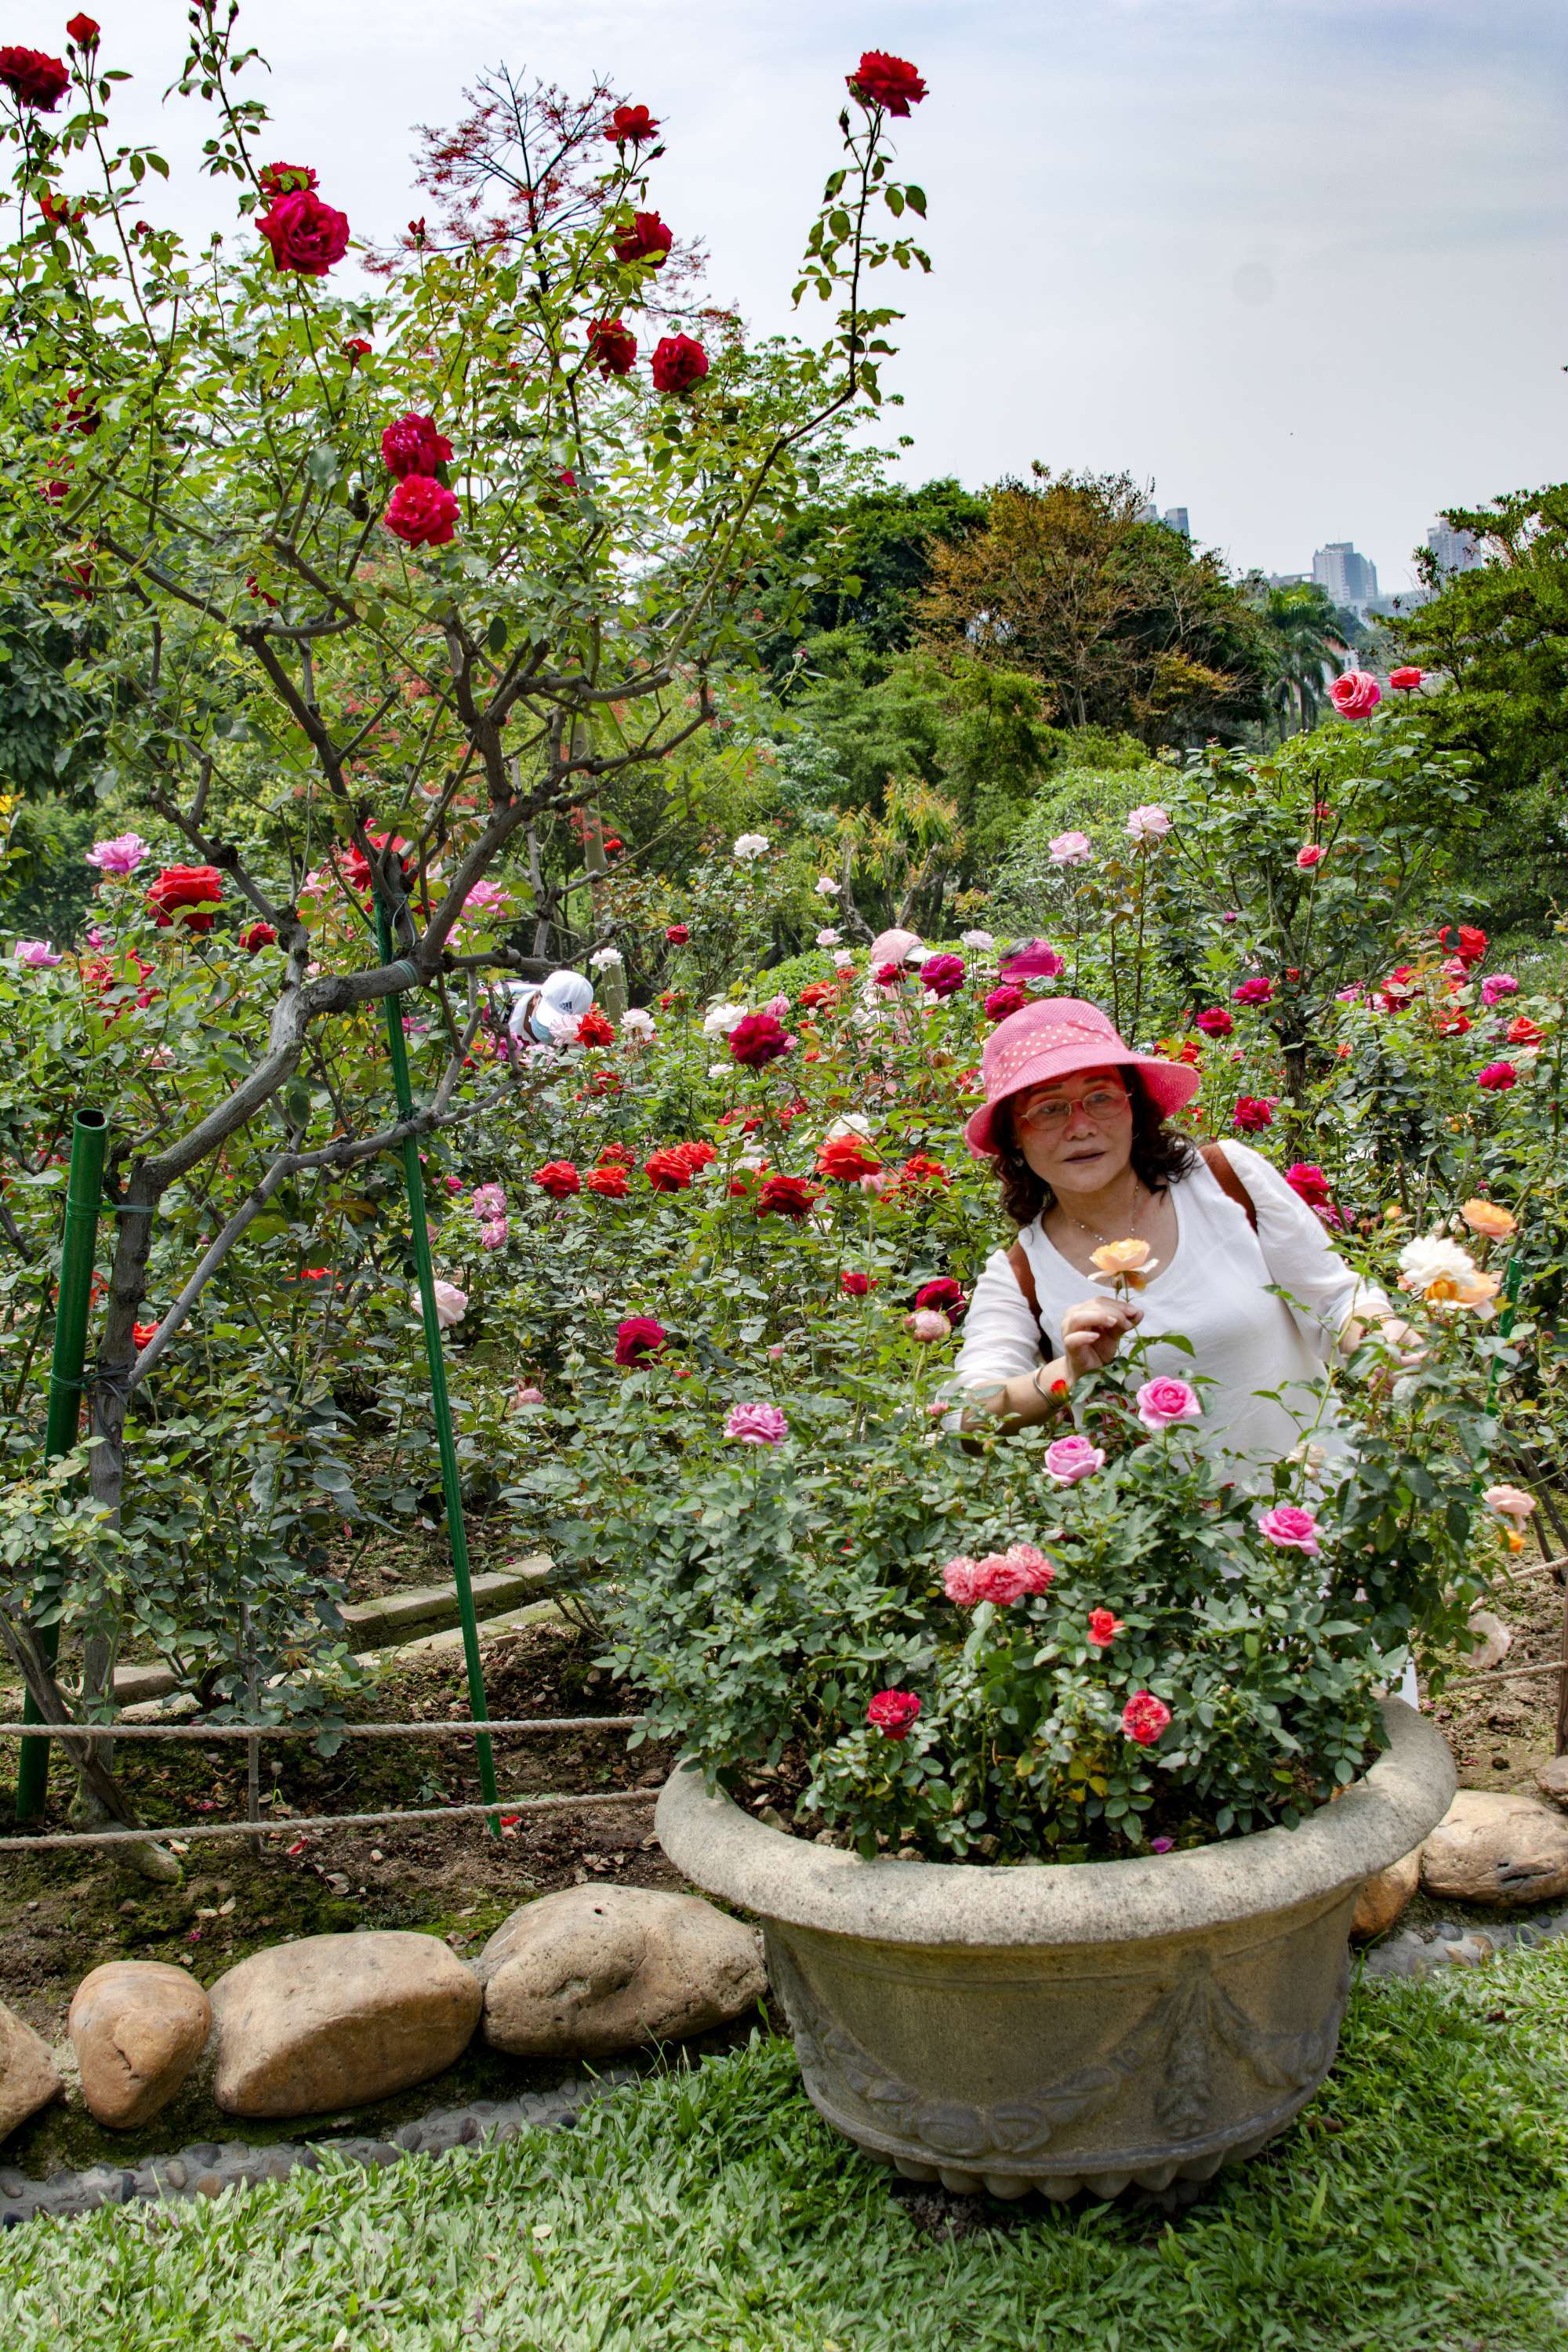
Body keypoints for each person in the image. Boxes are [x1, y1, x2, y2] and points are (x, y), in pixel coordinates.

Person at [953, 997, 1416, 1468]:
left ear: (1135, 1107)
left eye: (1101, 1097)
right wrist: (1066, 1374)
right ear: (1014, 1135)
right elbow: (968, 1417)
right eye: (1048, 1109)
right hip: (1158, 1539)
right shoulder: (1022, 1273)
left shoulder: (1225, 1181)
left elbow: (1336, 1300)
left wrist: (1385, 1338)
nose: (1081, 1127)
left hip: (1314, 1513)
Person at [506, 968, 593, 1047]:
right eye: (548, 1020)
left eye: (562, 1026)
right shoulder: (500, 1009)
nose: (552, 1030)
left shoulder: (576, 1040)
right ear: (536, 998)